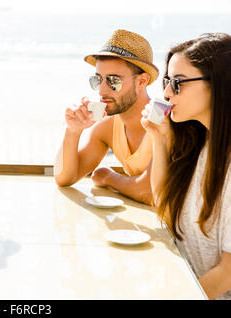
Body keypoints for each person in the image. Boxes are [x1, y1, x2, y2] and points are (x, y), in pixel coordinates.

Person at [141, 33, 231, 299]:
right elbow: (166, 209)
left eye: (177, 83)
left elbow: (227, 273)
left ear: (219, 84)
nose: (167, 93)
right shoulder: (202, 144)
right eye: (167, 82)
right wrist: (159, 139)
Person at [54, 29, 159, 205]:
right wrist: (72, 131)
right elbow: (63, 178)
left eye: (113, 81)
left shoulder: (161, 119)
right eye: (98, 80)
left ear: (142, 81)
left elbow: (148, 192)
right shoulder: (107, 127)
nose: (102, 91)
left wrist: (110, 178)